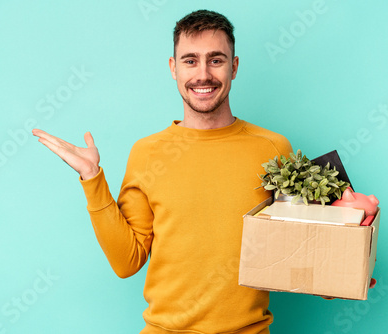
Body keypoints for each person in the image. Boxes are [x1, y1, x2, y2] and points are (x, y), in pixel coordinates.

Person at [33, 10, 293, 334]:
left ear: (234, 67)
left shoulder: (272, 149)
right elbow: (127, 262)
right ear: (173, 68)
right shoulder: (147, 153)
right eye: (190, 60)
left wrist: (338, 270)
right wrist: (91, 177)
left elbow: (296, 245)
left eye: (216, 60)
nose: (203, 74)